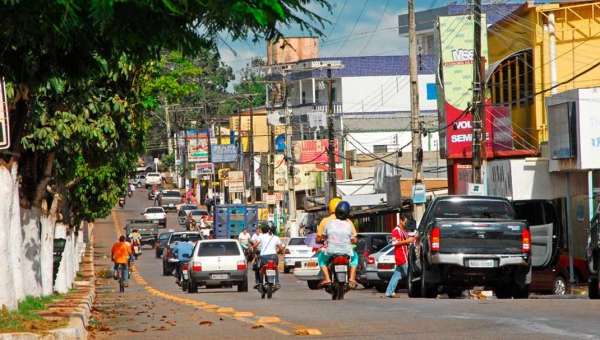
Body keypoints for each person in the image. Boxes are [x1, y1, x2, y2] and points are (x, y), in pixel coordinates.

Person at [317, 198, 359, 286]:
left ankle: (327, 278)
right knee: (355, 257)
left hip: (331, 251)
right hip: (346, 251)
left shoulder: (328, 222)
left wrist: (321, 239)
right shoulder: (348, 224)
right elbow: (354, 239)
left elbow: (322, 237)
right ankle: (351, 278)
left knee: (321, 258)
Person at [385, 213, 414, 298]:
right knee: (410, 275)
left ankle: (389, 291)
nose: (406, 224)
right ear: (401, 221)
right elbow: (394, 242)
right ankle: (415, 290)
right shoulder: (396, 230)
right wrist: (407, 241)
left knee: (397, 275)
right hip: (402, 256)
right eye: (405, 221)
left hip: (404, 256)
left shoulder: (404, 231)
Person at [252, 224, 283, 289]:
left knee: (257, 268)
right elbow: (281, 248)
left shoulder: (261, 236)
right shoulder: (276, 238)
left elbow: (254, 246)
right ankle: (277, 282)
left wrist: (254, 252)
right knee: (275, 268)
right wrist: (277, 252)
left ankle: (258, 282)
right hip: (274, 257)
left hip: (264, 257)